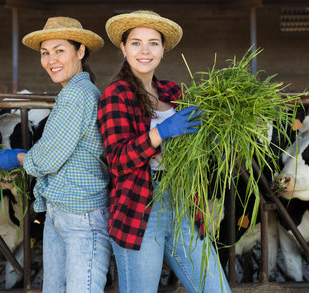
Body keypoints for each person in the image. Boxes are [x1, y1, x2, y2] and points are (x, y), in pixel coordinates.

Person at [97, 10, 231, 293]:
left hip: (183, 203)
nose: (145, 51)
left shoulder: (174, 91)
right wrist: (161, 132)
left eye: (153, 43)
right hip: (140, 208)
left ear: (163, 49)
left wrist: (212, 137)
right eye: (136, 43)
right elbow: (118, 160)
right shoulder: (116, 94)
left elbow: (193, 147)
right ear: (123, 48)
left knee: (216, 289)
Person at [0, 17, 111, 293]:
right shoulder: (77, 91)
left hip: (81, 216)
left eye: (60, 50)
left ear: (80, 52)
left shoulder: (75, 95)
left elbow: (47, 159)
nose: (51, 59)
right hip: (64, 210)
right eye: (45, 53)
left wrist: (20, 157)